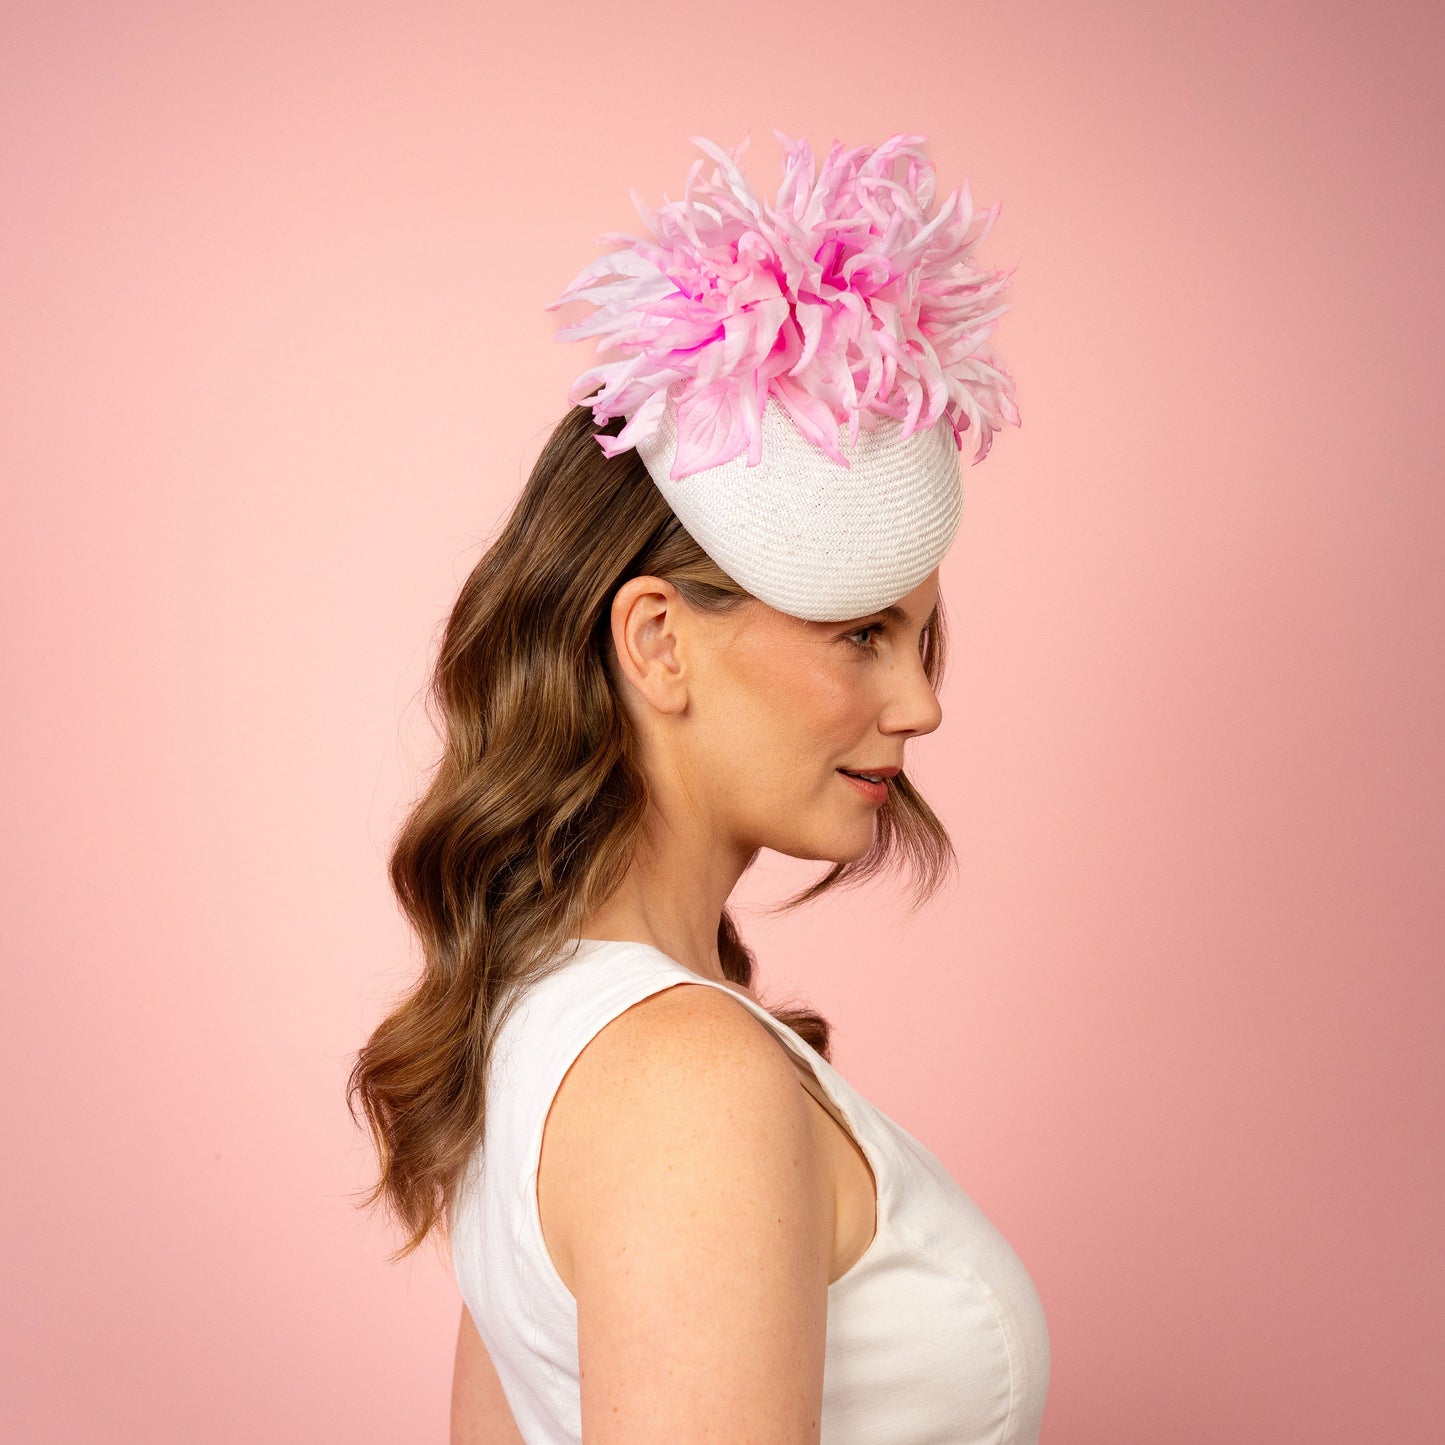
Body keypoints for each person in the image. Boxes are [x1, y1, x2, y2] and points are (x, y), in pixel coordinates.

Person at [350, 130, 1050, 1444]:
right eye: (858, 633)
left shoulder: (543, 1034)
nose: (921, 704)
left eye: (919, 638)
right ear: (658, 640)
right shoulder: (683, 1079)